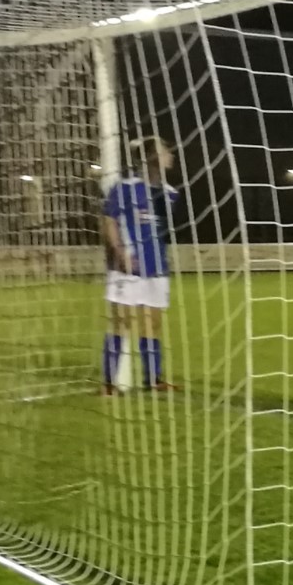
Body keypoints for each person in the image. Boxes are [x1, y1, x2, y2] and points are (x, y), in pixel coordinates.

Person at [100, 135, 181, 394]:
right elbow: (109, 220)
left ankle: (153, 380)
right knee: (120, 322)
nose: (170, 154)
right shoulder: (124, 189)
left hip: (156, 269)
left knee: (152, 324)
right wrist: (121, 252)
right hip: (127, 268)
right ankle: (109, 383)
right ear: (150, 157)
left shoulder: (170, 194)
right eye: (164, 149)